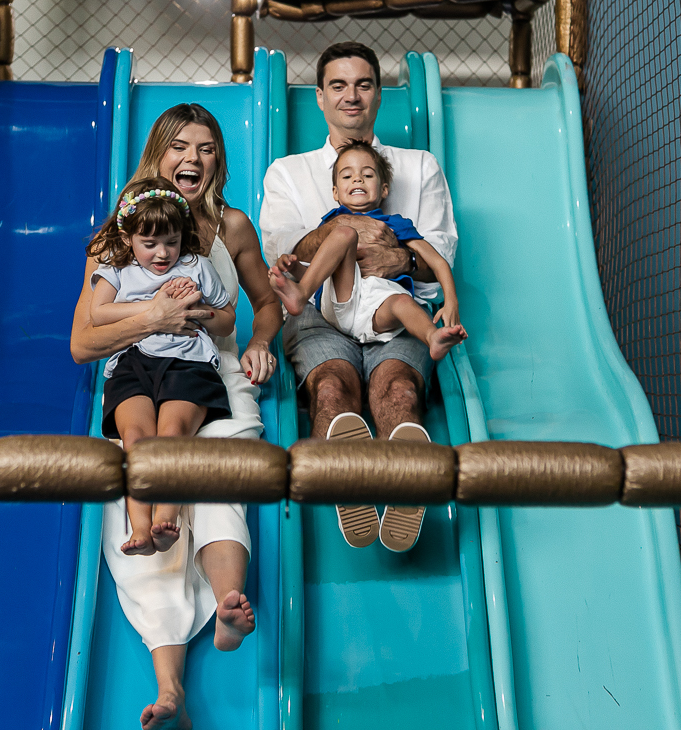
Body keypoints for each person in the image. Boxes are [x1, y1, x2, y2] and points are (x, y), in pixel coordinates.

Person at [70, 103, 282, 730]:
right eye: (180, 147)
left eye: (207, 148)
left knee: (218, 476)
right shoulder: (117, 236)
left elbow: (262, 304)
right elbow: (82, 341)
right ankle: (171, 689)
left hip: (209, 373)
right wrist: (153, 317)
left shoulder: (231, 227)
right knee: (137, 494)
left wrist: (259, 341)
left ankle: (228, 603)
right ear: (157, 155)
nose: (193, 158)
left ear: (219, 160)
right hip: (138, 371)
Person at [259, 41, 458, 552]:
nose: (352, 96)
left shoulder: (419, 167)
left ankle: (404, 491)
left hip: (394, 308)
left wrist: (401, 260)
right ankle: (351, 491)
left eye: (364, 84)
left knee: (399, 392)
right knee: (331, 389)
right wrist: (339, 230)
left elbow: (438, 260)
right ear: (320, 97)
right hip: (323, 311)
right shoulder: (289, 172)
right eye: (338, 85)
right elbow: (282, 253)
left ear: (378, 95)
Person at [87, 179, 236, 556]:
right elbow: (98, 313)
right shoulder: (118, 268)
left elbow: (226, 322)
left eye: (171, 241)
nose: (162, 253)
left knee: (172, 432)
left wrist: (197, 309)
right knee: (136, 438)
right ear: (128, 238)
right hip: (132, 363)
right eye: (149, 243)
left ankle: (164, 519)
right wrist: (155, 307)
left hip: (188, 363)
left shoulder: (196, 266)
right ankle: (139, 527)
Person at [267, 139, 467, 363]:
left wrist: (451, 302)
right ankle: (301, 293)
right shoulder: (331, 226)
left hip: (379, 308)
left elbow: (438, 262)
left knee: (403, 302)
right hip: (340, 302)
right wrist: (295, 268)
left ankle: (432, 338)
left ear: (384, 189)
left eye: (368, 175)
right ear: (335, 192)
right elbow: (323, 276)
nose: (357, 179)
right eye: (347, 176)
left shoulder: (395, 225)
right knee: (345, 233)